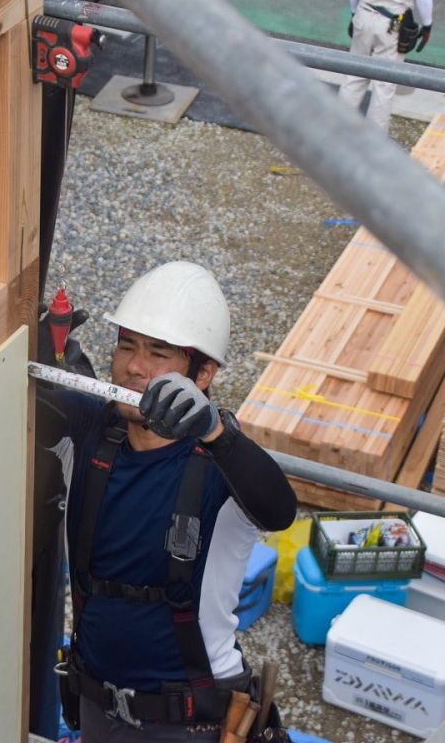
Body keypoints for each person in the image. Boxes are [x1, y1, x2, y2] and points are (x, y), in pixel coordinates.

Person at [39, 261, 298, 741]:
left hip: (191, 722)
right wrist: (29, 346)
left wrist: (216, 432)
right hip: (97, 707)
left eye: (158, 354)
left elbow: (279, 509)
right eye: (126, 346)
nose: (134, 367)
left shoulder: (223, 465)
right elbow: (27, 394)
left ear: (203, 373)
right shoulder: (92, 432)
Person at [337, 0, 439, 132]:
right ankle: (373, 145)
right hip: (392, 24)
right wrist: (427, 25)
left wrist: (354, 15)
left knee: (353, 76)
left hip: (364, 13)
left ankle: (336, 134)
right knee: (384, 85)